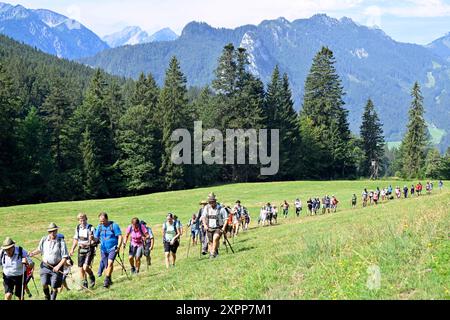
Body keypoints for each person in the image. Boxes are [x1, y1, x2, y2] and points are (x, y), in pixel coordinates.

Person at [29, 223, 69, 300]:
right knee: (44, 283)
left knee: (54, 286)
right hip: (45, 266)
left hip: (57, 267)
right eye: (51, 231)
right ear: (48, 232)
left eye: (54, 231)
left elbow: (64, 257)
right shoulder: (44, 239)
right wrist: (33, 253)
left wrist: (58, 266)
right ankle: (47, 297)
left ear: (57, 231)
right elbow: (39, 249)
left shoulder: (61, 241)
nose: (52, 233)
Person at [93, 213, 123, 289]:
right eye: (100, 221)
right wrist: (92, 239)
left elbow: (120, 236)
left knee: (110, 263)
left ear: (107, 218)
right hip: (103, 249)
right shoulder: (99, 227)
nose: (102, 222)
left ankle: (106, 280)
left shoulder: (114, 226)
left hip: (113, 248)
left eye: (103, 221)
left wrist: (118, 247)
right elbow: (96, 239)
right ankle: (109, 279)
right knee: (107, 266)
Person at [69, 213, 96, 289]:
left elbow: (96, 240)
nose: (82, 221)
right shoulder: (77, 228)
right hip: (81, 249)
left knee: (85, 267)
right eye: (81, 220)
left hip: (89, 249)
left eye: (84, 220)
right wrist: (72, 249)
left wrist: (93, 239)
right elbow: (75, 239)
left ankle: (91, 275)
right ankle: (85, 284)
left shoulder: (91, 228)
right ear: (78, 221)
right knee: (81, 268)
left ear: (86, 219)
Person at [201, 193, 229, 259]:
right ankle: (214, 254)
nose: (211, 204)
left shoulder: (221, 208)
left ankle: (213, 253)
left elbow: (226, 219)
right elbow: (203, 217)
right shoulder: (206, 208)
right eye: (210, 202)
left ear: (215, 201)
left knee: (215, 238)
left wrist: (223, 228)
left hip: (218, 228)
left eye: (212, 202)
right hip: (209, 228)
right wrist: (205, 225)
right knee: (210, 242)